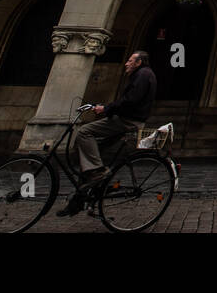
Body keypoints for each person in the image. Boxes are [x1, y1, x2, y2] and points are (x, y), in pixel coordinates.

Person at [58, 51, 157, 216]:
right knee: (91, 155)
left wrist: (106, 108)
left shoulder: (143, 74)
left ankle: (97, 173)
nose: (126, 63)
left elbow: (131, 100)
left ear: (139, 62)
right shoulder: (143, 75)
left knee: (84, 132)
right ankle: (80, 200)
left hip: (127, 120)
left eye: (130, 60)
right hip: (128, 118)